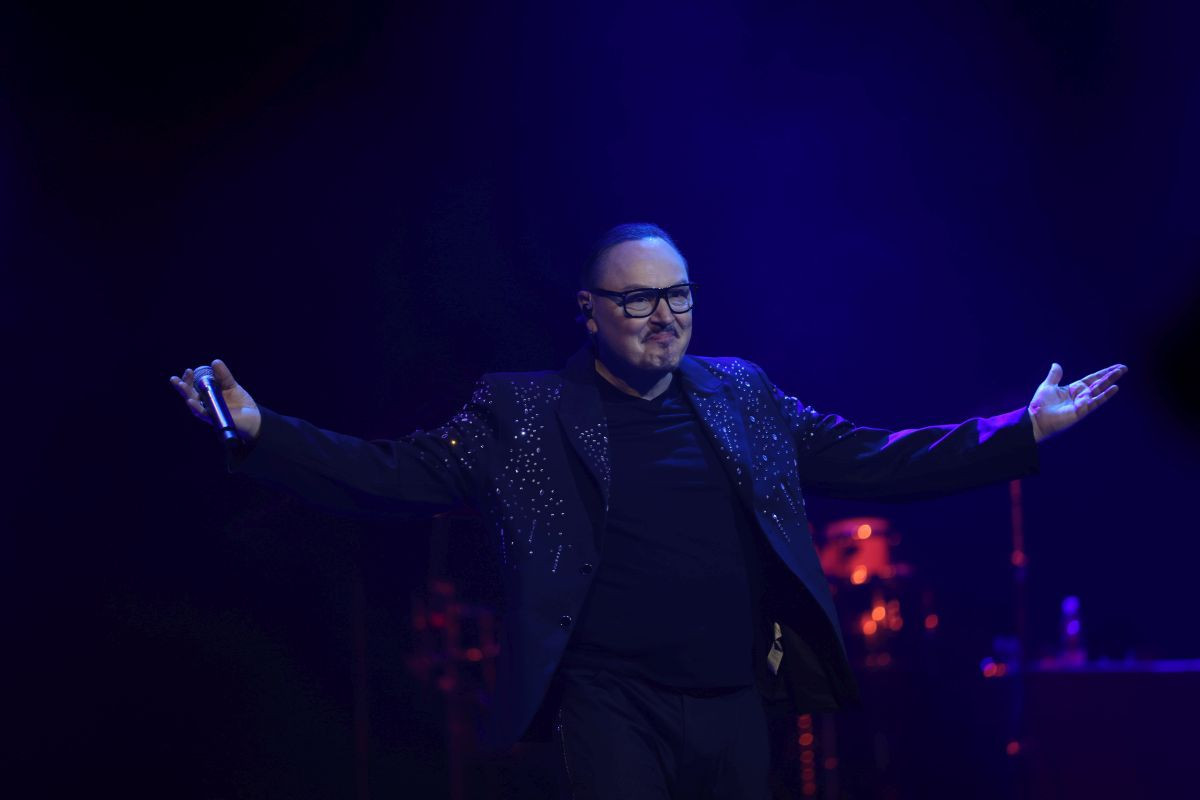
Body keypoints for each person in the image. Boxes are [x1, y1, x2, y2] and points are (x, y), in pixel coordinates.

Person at [170, 223, 1125, 799]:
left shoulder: (743, 394)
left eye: (679, 296)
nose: (664, 316)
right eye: (637, 301)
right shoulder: (523, 413)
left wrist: (1020, 430)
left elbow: (873, 457)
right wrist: (262, 432)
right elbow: (389, 473)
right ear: (588, 311)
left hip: (735, 697)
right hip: (608, 701)